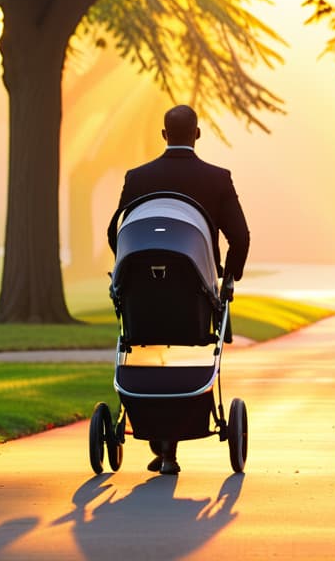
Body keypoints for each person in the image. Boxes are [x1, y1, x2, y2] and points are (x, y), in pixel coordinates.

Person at [107, 104, 250, 476]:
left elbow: (116, 232)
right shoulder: (217, 179)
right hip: (194, 307)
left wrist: (130, 271)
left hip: (141, 306)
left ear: (164, 134)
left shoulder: (137, 178)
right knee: (194, 344)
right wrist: (226, 278)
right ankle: (172, 441)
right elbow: (241, 237)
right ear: (198, 134)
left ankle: (160, 441)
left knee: (143, 345)